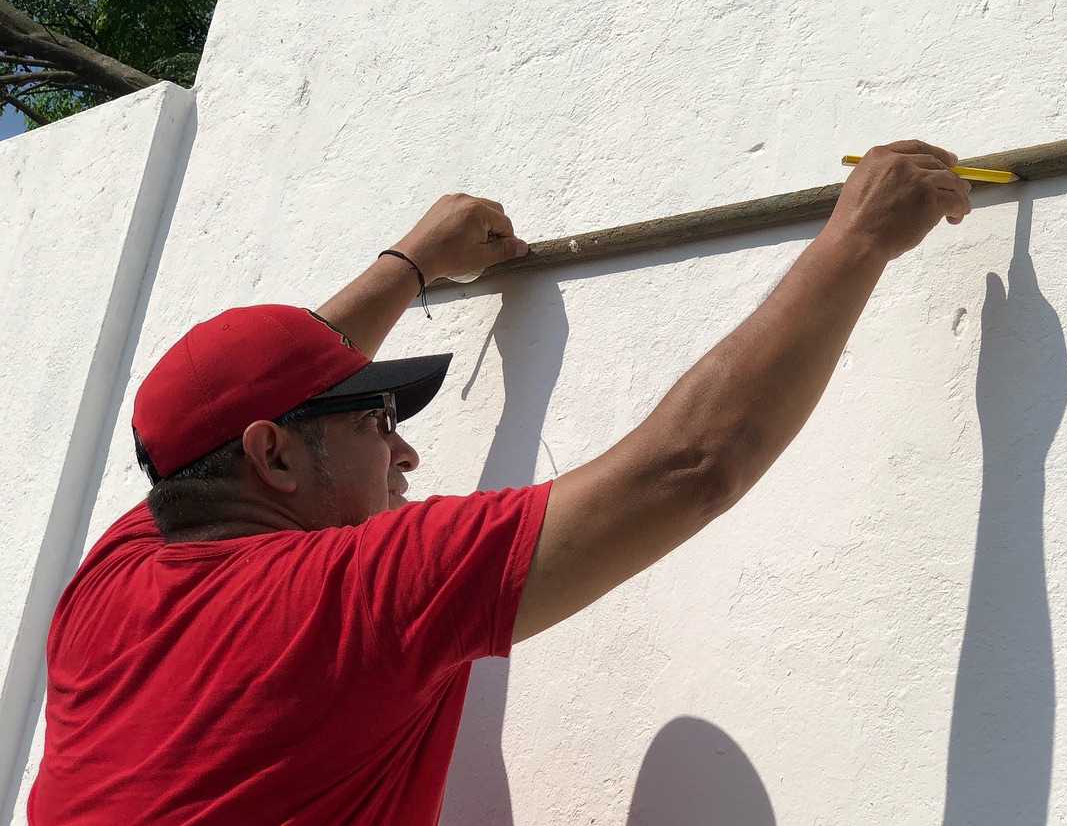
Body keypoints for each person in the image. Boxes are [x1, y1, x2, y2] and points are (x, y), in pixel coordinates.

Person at [29, 141, 972, 824]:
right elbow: (692, 464)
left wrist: (410, 264)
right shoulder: (351, 594)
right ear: (271, 458)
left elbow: (236, 400)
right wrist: (859, 238)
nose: (405, 455)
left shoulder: (109, 577)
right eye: (376, 421)